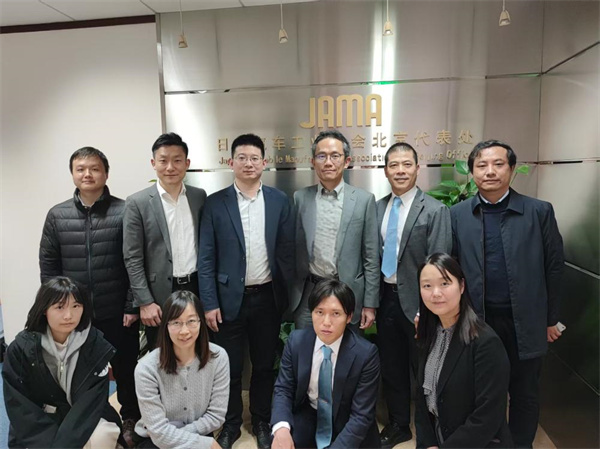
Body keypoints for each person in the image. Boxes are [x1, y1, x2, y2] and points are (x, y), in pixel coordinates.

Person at [450, 140, 564, 448]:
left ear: (512, 169)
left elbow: (554, 267)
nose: (490, 171)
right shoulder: (458, 215)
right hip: (477, 321)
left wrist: (551, 319)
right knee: (483, 391)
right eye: (482, 165)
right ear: (472, 172)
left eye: (498, 164)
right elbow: (451, 270)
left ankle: (522, 444)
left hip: (525, 320)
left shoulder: (538, 211)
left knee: (525, 391)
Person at [198, 134, 295, 449]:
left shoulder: (279, 201)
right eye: (242, 157)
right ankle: (230, 424)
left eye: (254, 158)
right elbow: (206, 257)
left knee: (264, 365)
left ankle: (262, 420)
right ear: (231, 162)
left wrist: (287, 298)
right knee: (230, 367)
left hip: (267, 298)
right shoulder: (215, 203)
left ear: (264, 163)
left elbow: (287, 252)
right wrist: (209, 303)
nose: (248, 163)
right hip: (227, 302)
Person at [39, 146, 141, 445]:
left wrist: (132, 305)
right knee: (80, 372)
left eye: (94, 168)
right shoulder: (57, 215)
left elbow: (136, 262)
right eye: (81, 169)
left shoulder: (125, 211)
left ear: (106, 174)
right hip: (76, 315)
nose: (87, 174)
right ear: (72, 174)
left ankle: (130, 419)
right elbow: (49, 266)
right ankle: (91, 420)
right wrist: (58, 309)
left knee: (126, 368)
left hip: (118, 312)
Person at [376, 142, 452, 448]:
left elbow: (440, 266)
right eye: (393, 165)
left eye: (406, 164)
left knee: (425, 370)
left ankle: (429, 430)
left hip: (420, 305)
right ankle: (399, 424)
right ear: (385, 171)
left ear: (417, 169)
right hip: (385, 299)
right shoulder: (378, 207)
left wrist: (429, 308)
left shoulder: (434, 209)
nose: (400, 171)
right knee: (392, 366)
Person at [2, 277, 122, 449]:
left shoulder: (95, 345)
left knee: (103, 435)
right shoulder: (21, 349)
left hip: (81, 418)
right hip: (40, 422)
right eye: (59, 307)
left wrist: (63, 445)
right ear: (44, 309)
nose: (69, 315)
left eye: (76, 306)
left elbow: (92, 404)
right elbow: (20, 405)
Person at [415, 253, 512, 448]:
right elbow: (422, 400)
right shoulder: (429, 333)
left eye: (444, 283)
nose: (435, 293)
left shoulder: (485, 343)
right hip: (438, 437)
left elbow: (488, 416)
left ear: (461, 286)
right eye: (427, 286)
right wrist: (427, 443)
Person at [271, 279, 381, 449]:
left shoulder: (365, 354)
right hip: (310, 413)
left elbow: (361, 416)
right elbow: (283, 389)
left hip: (348, 421)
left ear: (349, 317)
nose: (326, 322)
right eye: (320, 312)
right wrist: (281, 428)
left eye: (336, 314)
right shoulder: (296, 341)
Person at [124, 132, 207, 349]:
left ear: (187, 163)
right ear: (153, 163)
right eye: (163, 161)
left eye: (177, 160)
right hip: (158, 295)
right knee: (162, 354)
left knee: (196, 350)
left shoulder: (199, 197)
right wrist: (145, 302)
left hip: (195, 287)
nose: (170, 167)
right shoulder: (138, 203)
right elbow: (132, 258)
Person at [293, 130, 379, 330]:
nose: (328, 162)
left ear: (346, 161)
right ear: (313, 162)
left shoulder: (363, 200)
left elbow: (371, 257)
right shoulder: (300, 198)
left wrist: (370, 304)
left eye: (335, 156)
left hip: (347, 291)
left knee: (347, 348)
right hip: (310, 291)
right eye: (321, 156)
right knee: (305, 346)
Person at [134, 290, 229, 449]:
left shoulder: (218, 358)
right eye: (176, 323)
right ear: (166, 326)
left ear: (201, 322)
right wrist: (207, 444)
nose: (184, 331)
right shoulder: (146, 368)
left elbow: (216, 416)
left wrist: (180, 437)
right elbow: (158, 431)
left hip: (198, 431)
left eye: (191, 321)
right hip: (154, 441)